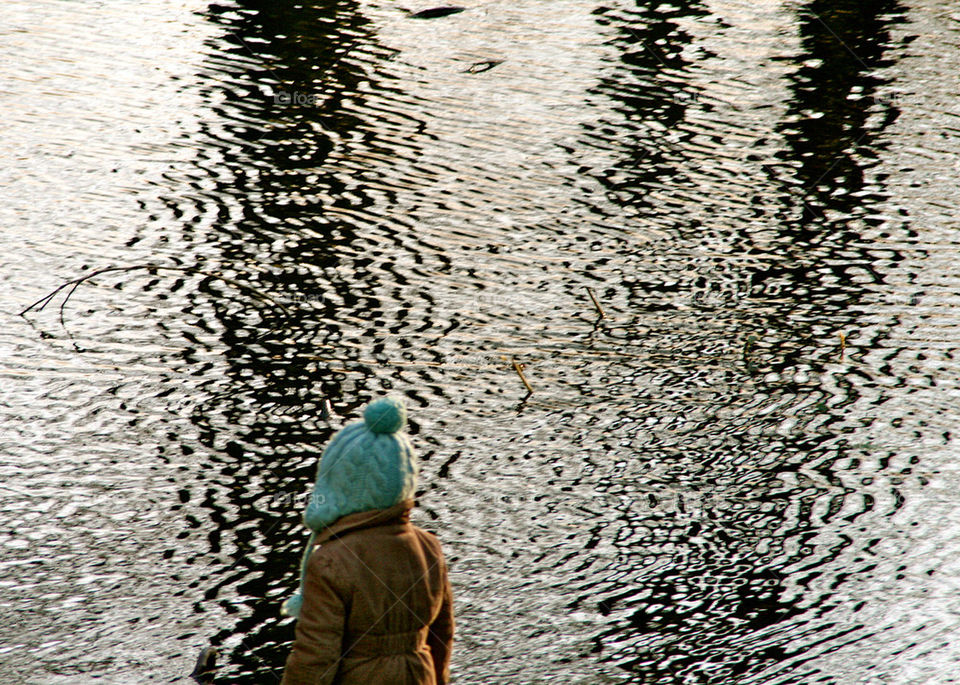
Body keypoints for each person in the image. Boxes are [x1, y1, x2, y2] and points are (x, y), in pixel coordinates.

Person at [281, 397, 454, 685]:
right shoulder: (428, 546)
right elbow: (442, 635)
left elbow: (316, 657)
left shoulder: (331, 561)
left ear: (338, 486)